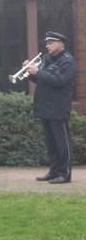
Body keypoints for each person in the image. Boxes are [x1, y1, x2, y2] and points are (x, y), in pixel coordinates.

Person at [26, 31, 77, 184]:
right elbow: (41, 80)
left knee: (62, 143)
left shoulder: (68, 62)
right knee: (51, 142)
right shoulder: (48, 59)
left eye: (50, 43)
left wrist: (39, 72)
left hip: (58, 107)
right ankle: (54, 171)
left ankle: (64, 173)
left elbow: (58, 80)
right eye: (47, 43)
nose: (47, 46)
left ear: (60, 43)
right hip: (45, 106)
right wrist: (30, 73)